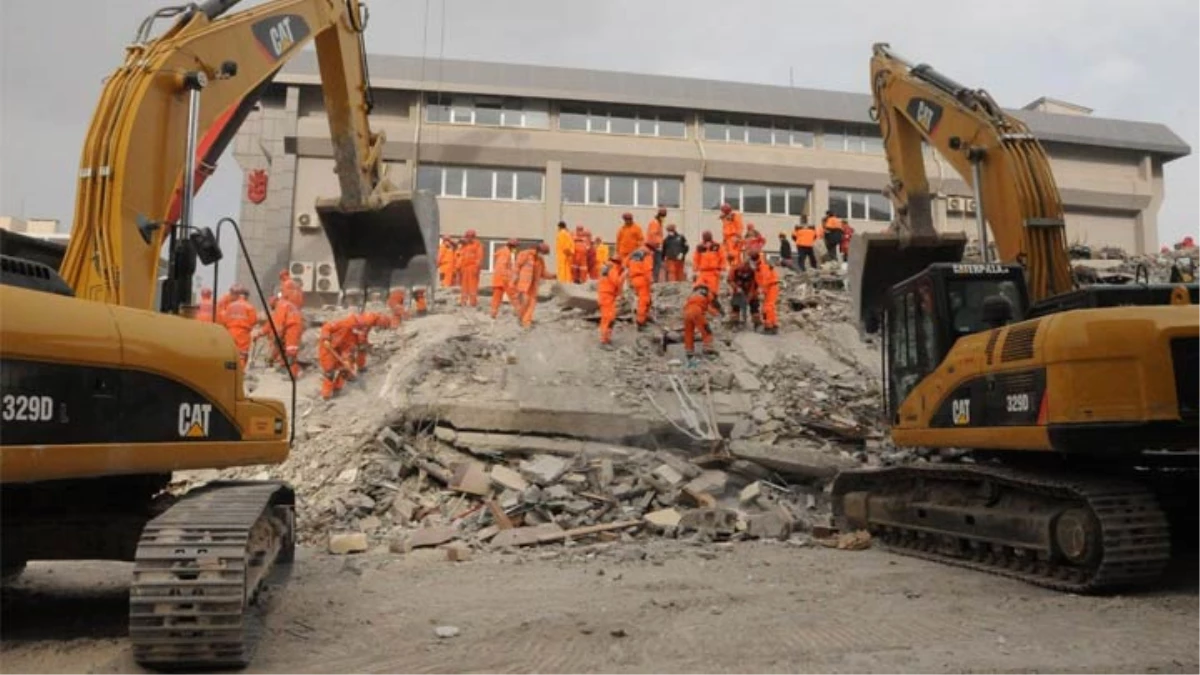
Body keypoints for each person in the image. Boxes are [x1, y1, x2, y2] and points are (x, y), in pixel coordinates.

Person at [258, 296, 303, 377]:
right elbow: (269, 325)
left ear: (273, 304)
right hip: (293, 326)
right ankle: (284, 366)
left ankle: (293, 374)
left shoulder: (280, 306)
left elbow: (279, 325)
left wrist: (277, 337)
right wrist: (259, 333)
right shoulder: (286, 304)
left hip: (292, 327)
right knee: (284, 348)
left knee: (290, 352)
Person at [318, 314, 359, 400]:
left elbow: (348, 348)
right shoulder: (340, 324)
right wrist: (326, 338)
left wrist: (346, 360)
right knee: (329, 371)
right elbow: (326, 327)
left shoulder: (353, 336)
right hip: (327, 347)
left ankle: (337, 388)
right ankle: (326, 394)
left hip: (339, 350)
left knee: (344, 369)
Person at [515, 242, 554, 328]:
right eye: (543, 253)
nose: (543, 255)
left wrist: (554, 276)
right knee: (525, 302)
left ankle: (526, 322)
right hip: (524, 284)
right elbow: (517, 266)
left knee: (531, 304)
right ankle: (520, 317)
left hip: (533, 285)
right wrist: (515, 277)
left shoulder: (540, 260)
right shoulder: (525, 254)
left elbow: (543, 273)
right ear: (538, 250)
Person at [682, 283, 722, 361]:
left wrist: (714, 313)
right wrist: (720, 311)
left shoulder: (692, 295)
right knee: (706, 330)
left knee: (689, 332)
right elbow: (714, 302)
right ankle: (708, 348)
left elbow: (706, 307)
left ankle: (689, 351)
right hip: (696, 311)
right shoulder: (706, 293)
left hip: (686, 313)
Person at [222, 286, 258, 368]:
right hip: (243, 333)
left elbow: (224, 320)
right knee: (242, 355)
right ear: (247, 296)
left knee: (230, 354)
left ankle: (230, 371)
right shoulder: (249, 307)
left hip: (230, 332)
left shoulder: (230, 306)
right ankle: (240, 374)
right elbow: (253, 321)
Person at [597, 254, 625, 347]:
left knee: (608, 318)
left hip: (605, 296)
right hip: (607, 296)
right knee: (609, 318)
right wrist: (624, 275)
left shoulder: (606, 268)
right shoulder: (612, 269)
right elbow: (617, 282)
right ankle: (604, 340)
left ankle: (606, 338)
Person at [627, 241, 656, 330]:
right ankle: (641, 321)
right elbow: (648, 269)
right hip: (642, 279)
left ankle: (646, 316)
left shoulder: (634, 253)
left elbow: (626, 264)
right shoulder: (647, 255)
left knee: (643, 299)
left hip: (633, 279)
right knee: (644, 300)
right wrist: (651, 280)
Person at [750, 250, 779, 334]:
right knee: (770, 306)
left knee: (767, 307)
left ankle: (769, 326)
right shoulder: (759, 267)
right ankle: (773, 324)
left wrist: (761, 290)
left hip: (771, 287)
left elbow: (765, 279)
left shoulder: (763, 266)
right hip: (770, 287)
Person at [491, 238, 519, 319]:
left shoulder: (503, 251)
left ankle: (493, 313)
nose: (516, 249)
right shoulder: (506, 253)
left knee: (496, 297)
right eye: (515, 247)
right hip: (504, 278)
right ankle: (520, 312)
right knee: (513, 295)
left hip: (498, 278)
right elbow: (502, 266)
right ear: (512, 246)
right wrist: (508, 277)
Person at [728, 260, 760, 330]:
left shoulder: (754, 272)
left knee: (754, 306)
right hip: (738, 290)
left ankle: (757, 324)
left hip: (751, 290)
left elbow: (754, 285)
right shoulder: (735, 269)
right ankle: (735, 323)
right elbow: (730, 280)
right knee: (735, 306)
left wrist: (749, 296)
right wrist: (736, 287)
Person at [457, 229, 484, 307]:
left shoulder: (477, 245)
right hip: (464, 268)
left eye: (469, 237)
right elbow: (460, 256)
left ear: (473, 237)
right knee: (464, 287)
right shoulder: (464, 246)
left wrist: (476, 268)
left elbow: (479, 257)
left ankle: (472, 302)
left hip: (472, 268)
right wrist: (458, 267)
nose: (467, 238)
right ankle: (463, 301)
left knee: (472, 286)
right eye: (467, 237)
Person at [693, 231, 723, 297]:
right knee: (698, 288)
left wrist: (721, 268)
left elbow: (722, 257)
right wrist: (695, 270)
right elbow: (696, 259)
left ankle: (712, 304)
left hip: (713, 272)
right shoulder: (700, 247)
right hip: (703, 272)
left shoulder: (717, 246)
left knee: (713, 292)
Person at [646, 207, 667, 282]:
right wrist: (658, 243)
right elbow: (653, 234)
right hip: (654, 247)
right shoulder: (655, 223)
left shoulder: (658, 223)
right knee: (655, 265)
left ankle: (655, 279)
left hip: (656, 247)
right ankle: (654, 280)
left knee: (656, 265)